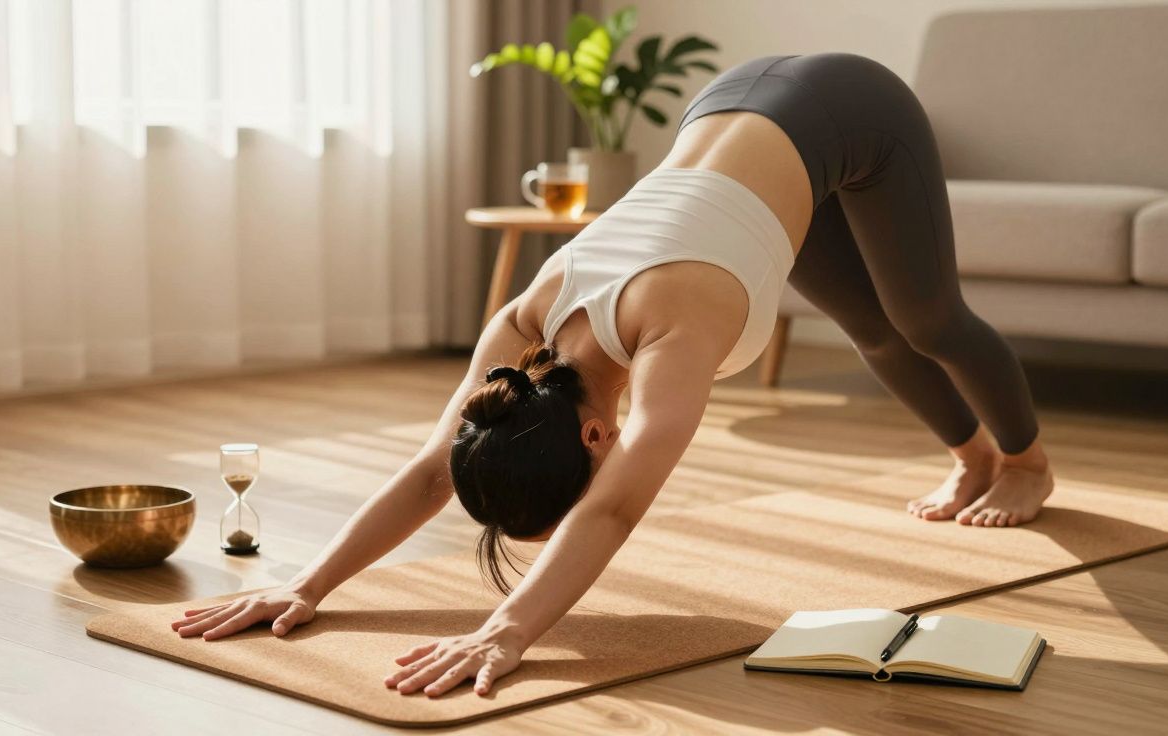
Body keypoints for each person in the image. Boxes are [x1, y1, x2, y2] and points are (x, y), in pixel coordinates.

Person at [169, 53, 1054, 699]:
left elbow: (616, 508)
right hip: (742, 111)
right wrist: (308, 584)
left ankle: (1025, 463)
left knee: (926, 319)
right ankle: (971, 455)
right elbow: (436, 465)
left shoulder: (671, 337)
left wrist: (510, 629)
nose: (605, 470)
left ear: (596, 436)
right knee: (872, 325)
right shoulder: (523, 329)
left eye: (587, 472)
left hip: (854, 105)